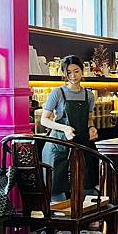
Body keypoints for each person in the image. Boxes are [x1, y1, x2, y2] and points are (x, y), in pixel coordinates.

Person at [41, 55, 98, 202]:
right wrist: (65, 128)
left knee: (86, 184)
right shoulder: (57, 93)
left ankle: (83, 215)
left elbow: (89, 118)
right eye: (69, 72)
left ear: (82, 71)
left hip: (81, 144)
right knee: (56, 188)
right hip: (58, 145)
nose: (73, 75)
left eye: (76, 71)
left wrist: (91, 127)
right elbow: (44, 120)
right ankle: (60, 216)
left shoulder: (89, 95)